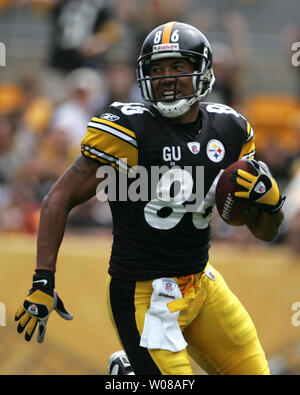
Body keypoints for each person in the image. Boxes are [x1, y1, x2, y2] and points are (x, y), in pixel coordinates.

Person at [15, 21, 285, 375]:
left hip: (202, 283)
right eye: (156, 69)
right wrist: (42, 281)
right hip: (144, 294)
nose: (166, 77)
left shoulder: (230, 129)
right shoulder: (129, 131)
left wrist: (272, 204)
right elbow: (58, 198)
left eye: (178, 66)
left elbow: (266, 231)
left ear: (201, 71)